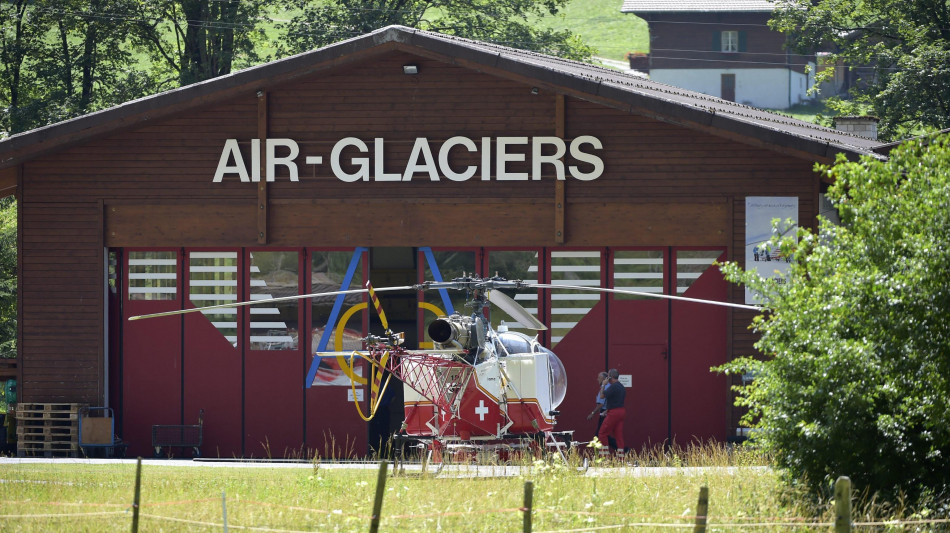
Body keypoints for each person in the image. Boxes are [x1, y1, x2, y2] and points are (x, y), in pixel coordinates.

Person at [597, 368, 626, 456]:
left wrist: (603, 385)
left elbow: (602, 396)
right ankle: (621, 458)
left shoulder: (613, 386)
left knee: (602, 433)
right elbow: (616, 402)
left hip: (614, 413)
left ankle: (604, 456)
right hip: (621, 411)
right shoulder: (621, 386)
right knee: (618, 436)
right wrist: (607, 410)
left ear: (610, 377)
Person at [586, 371, 617, 448]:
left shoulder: (605, 387)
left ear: (604, 379)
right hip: (607, 412)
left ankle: (622, 448)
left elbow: (601, 403)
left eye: (599, 377)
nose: (597, 379)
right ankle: (621, 448)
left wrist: (592, 413)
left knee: (600, 434)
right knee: (602, 434)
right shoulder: (608, 386)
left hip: (605, 413)